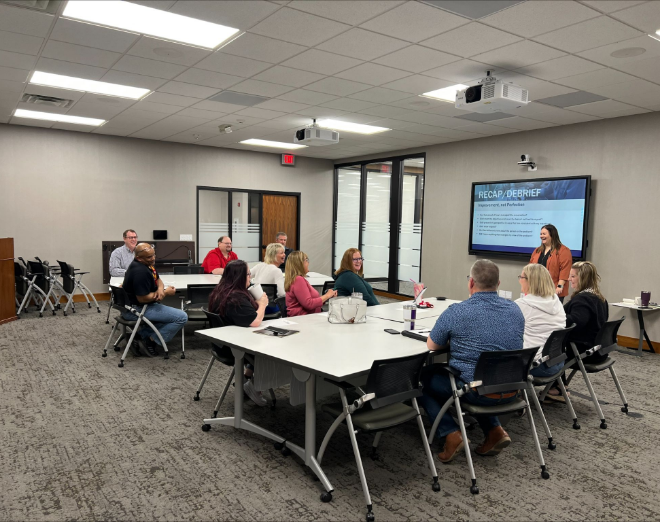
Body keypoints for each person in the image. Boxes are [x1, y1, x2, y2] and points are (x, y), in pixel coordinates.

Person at [419, 260, 525, 463]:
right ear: (498, 283)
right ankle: (495, 430)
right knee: (481, 378)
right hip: (512, 388)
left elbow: (432, 345)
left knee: (422, 379)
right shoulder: (515, 310)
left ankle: (451, 433)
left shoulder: (457, 311)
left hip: (477, 392)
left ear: (471, 283)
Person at [207, 260, 270, 406]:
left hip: (222, 343)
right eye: (248, 274)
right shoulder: (235, 298)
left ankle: (247, 375)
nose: (250, 277)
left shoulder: (221, 291)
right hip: (234, 348)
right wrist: (262, 304)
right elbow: (255, 321)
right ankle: (254, 386)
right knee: (274, 349)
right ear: (240, 277)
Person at [122, 243, 187, 357]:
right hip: (137, 309)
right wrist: (166, 293)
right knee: (181, 317)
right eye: (149, 257)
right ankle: (151, 340)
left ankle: (140, 336)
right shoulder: (140, 272)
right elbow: (142, 298)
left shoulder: (148, 265)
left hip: (135, 307)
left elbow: (158, 279)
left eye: (153, 255)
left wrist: (161, 290)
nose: (153, 259)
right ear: (139, 258)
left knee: (167, 317)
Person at [515, 264, 567, 378]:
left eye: (521, 277)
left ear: (530, 281)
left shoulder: (522, 305)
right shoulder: (556, 301)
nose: (519, 281)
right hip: (557, 361)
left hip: (536, 366)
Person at [564, 261, 609, 365]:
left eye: (573, 276)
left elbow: (575, 322)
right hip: (599, 350)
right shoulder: (599, 298)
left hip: (585, 352)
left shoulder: (583, 299)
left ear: (583, 278)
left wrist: (554, 317)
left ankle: (553, 380)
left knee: (551, 347)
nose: (569, 279)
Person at [285, 251, 336, 317]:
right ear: (300, 264)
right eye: (306, 260)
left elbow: (311, 301)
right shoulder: (298, 280)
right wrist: (327, 295)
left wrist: (327, 297)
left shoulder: (298, 279)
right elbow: (309, 304)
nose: (308, 262)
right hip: (303, 320)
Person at [529, 224, 572, 302]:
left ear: (552, 235)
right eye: (541, 234)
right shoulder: (537, 250)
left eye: (544, 234)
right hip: (537, 289)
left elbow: (565, 269)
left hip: (554, 290)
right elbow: (530, 267)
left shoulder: (563, 250)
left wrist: (560, 286)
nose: (541, 236)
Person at [251, 243, 286, 314]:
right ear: (274, 255)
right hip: (270, 307)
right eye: (281, 253)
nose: (284, 255)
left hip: (256, 305)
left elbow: (244, 276)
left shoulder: (259, 266)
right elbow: (282, 294)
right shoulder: (277, 271)